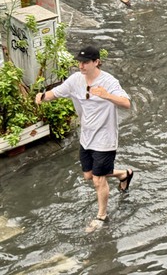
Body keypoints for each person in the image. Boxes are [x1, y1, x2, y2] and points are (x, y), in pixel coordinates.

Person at [35, 45, 133, 232]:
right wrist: (42, 97)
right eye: (79, 62)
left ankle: (102, 216)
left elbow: (126, 103)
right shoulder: (75, 80)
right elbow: (56, 93)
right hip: (86, 136)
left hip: (105, 138)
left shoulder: (109, 81)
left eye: (86, 62)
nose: (81, 66)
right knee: (89, 176)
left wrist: (107, 95)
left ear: (96, 62)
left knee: (98, 179)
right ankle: (123, 174)